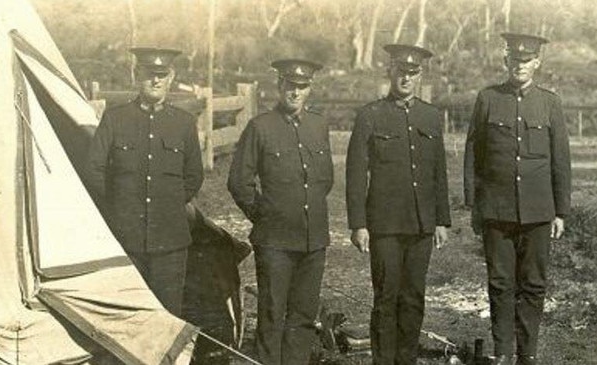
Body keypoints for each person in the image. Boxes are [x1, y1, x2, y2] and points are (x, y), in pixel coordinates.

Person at [464, 33, 571, 365]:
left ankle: (528, 354)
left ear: (537, 62)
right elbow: (474, 154)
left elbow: (560, 161)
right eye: (514, 59)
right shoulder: (488, 99)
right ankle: (502, 353)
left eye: (526, 60)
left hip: (539, 211)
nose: (519, 65)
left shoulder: (550, 103)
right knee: (499, 283)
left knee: (534, 285)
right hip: (497, 209)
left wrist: (561, 212)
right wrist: (475, 204)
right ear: (505, 60)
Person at [346, 44, 451, 365]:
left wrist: (442, 220)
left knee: (414, 297)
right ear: (390, 72)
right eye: (400, 72)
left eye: (412, 73)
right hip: (385, 225)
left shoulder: (431, 116)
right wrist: (358, 224)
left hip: (421, 223)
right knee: (386, 296)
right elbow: (354, 173)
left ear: (420, 75)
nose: (406, 78)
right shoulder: (370, 115)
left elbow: (438, 172)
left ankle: (406, 360)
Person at [227, 59, 333, 365]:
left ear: (309, 88)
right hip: (275, 241)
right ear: (279, 86)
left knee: (302, 315)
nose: (296, 92)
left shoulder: (319, 125)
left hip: (313, 238)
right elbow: (239, 182)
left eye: (302, 87)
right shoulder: (260, 127)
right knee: (272, 313)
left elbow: (324, 179)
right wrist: (265, 215)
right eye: (290, 86)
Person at [87, 47, 204, 316]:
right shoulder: (116, 119)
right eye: (150, 74)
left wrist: (169, 204)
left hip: (170, 239)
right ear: (137, 75)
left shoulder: (183, 123)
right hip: (126, 237)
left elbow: (194, 176)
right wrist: (120, 203)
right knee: (128, 315)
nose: (156, 81)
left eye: (162, 75)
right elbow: (94, 169)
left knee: (168, 314)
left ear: (171, 77)